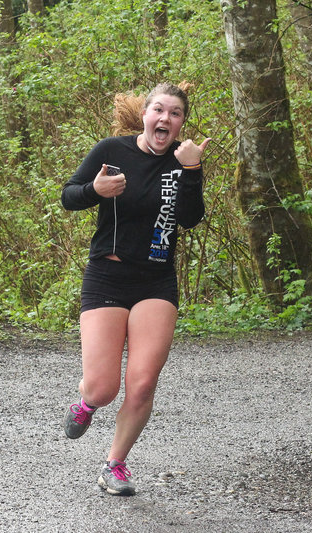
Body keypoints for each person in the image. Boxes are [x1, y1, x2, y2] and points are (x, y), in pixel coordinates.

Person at [60, 82, 210, 496]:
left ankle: (115, 464)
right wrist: (96, 191)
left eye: (175, 113)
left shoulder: (184, 161)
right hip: (107, 278)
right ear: (145, 114)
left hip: (156, 281)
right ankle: (87, 402)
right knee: (104, 388)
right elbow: (68, 197)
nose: (165, 118)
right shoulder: (111, 150)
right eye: (159, 110)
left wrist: (193, 171)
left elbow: (191, 218)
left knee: (142, 384)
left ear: (181, 123)